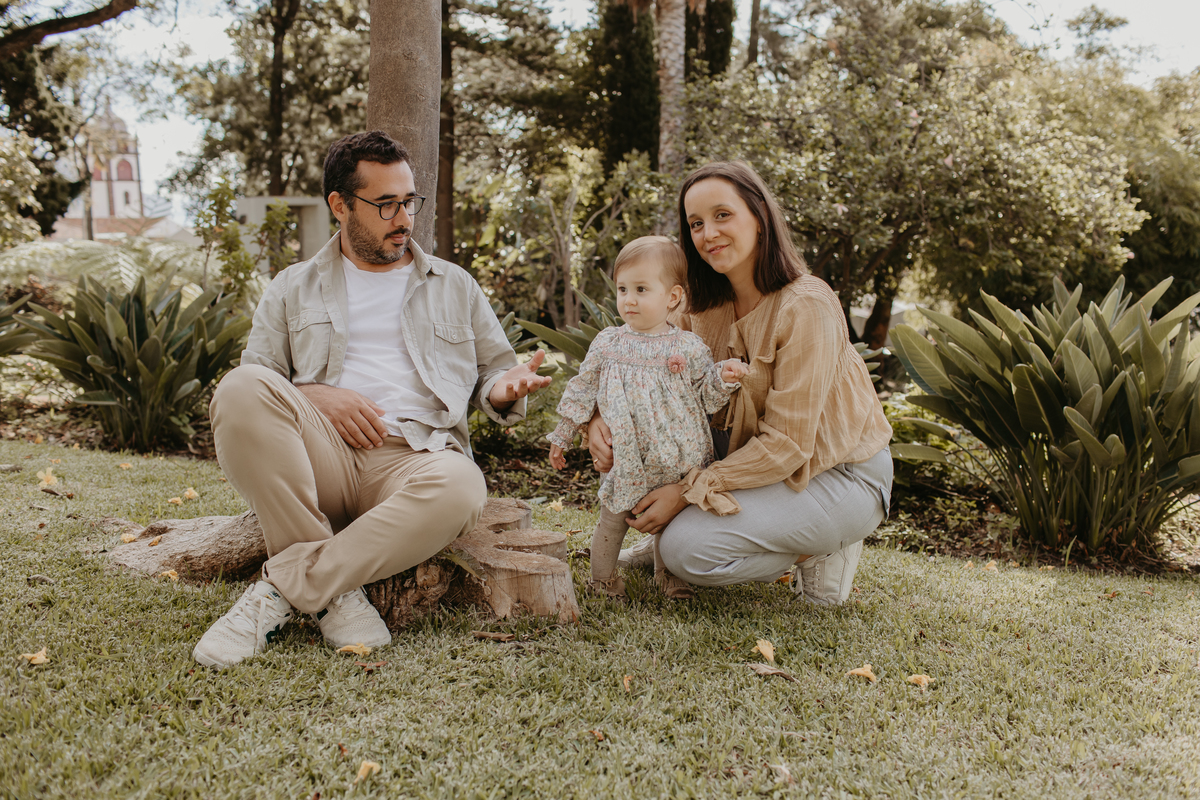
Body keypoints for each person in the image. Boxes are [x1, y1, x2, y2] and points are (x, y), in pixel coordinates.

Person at [193, 131, 552, 668]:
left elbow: (494, 373)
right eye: (385, 205)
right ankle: (333, 590)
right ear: (340, 205)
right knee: (239, 389)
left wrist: (505, 389)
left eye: (408, 201)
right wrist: (315, 395)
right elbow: (259, 381)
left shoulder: (454, 284)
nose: (403, 218)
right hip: (321, 459)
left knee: (461, 486)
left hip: (414, 460)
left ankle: (284, 589)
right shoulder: (292, 286)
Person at [589, 161, 893, 604]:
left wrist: (688, 492)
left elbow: (788, 445)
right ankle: (733, 528)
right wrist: (596, 420)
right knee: (650, 453)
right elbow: (637, 362)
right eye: (695, 223)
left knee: (685, 553)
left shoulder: (807, 305)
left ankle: (820, 547)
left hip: (837, 474)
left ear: (759, 216)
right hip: (755, 472)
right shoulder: (697, 303)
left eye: (722, 215)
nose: (707, 233)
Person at [547, 237, 748, 601]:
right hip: (628, 457)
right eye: (623, 288)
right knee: (612, 520)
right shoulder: (608, 343)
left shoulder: (688, 347)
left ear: (672, 297)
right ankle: (603, 580)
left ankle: (670, 576)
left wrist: (723, 377)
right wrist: (563, 434)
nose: (629, 299)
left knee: (670, 523)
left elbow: (705, 397)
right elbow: (582, 388)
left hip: (678, 456)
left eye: (641, 289)